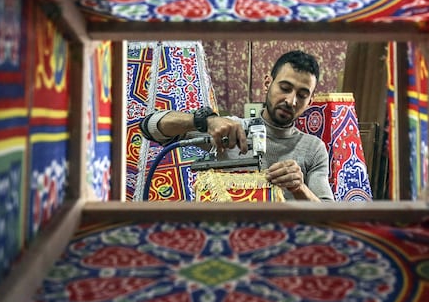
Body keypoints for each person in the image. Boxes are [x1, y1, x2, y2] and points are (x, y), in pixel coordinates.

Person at [139, 50, 334, 201]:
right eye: (285, 88)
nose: (291, 101)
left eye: (302, 95)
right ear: (268, 83)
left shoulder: (313, 148)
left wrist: (299, 188)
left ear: (310, 101)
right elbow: (151, 127)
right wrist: (205, 121)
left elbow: (328, 216)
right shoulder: (231, 129)